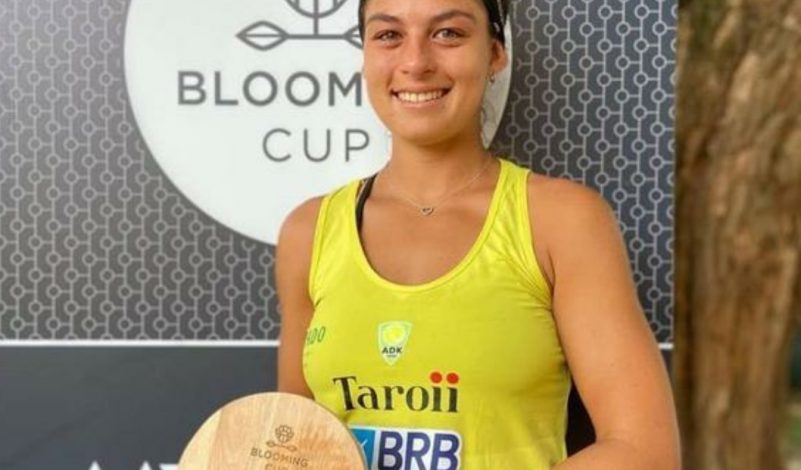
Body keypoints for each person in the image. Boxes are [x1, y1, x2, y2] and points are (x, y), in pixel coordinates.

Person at [275, 0, 681, 468]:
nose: (415, 62)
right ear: (365, 56)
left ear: (494, 53)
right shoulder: (309, 231)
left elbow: (644, 451)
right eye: (389, 36)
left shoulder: (562, 220)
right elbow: (292, 446)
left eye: (448, 33)